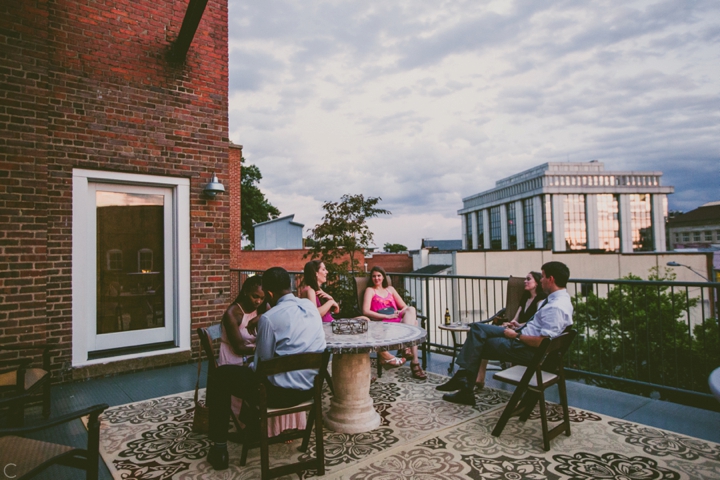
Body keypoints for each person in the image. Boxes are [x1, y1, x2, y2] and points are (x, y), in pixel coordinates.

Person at [206, 267, 327, 471]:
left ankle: (219, 450)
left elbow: (261, 365)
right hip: (310, 391)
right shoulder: (310, 307)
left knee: (220, 376)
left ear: (269, 294)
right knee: (246, 374)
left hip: (277, 396)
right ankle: (250, 425)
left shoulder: (269, 319)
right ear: (288, 286)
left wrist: (249, 364)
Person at [437, 261, 573, 406]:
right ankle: (463, 381)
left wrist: (517, 336)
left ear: (551, 279)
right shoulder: (560, 300)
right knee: (477, 328)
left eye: (543, 276)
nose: (541, 280)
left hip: (523, 346)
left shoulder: (555, 307)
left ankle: (464, 384)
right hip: (520, 333)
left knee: (478, 342)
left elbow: (542, 342)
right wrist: (520, 326)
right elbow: (539, 327)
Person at [219, 275, 307, 438]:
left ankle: (268, 424)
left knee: (271, 374)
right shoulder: (232, 313)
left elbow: (273, 316)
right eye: (255, 296)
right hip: (235, 357)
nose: (258, 301)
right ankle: (245, 425)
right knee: (262, 376)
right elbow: (238, 347)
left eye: (262, 297)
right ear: (245, 292)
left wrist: (260, 317)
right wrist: (261, 348)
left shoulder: (263, 308)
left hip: (255, 356)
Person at [474, 271, 547, 389]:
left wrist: (518, 326)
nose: (525, 281)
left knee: (483, 337)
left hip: (522, 333)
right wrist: (511, 323)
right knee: (484, 335)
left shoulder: (541, 299)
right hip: (516, 329)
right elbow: (516, 317)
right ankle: (480, 377)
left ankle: (475, 376)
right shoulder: (525, 297)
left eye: (528, 279)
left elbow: (534, 322)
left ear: (537, 283)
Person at [362, 266, 427, 380]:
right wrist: (387, 316)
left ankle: (407, 348)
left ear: (383, 277)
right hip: (382, 323)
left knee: (411, 309)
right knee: (415, 323)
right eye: (374, 276)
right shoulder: (370, 290)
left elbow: (404, 306)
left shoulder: (390, 289)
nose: (376, 278)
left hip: (397, 321)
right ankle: (414, 362)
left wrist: (398, 311)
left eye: (379, 275)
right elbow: (365, 311)